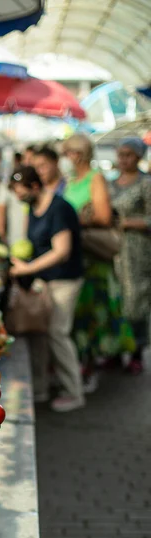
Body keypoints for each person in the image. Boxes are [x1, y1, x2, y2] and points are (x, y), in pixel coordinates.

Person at [63, 133, 135, 390]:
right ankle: (86, 365)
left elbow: (104, 217)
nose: (67, 157)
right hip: (78, 254)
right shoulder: (72, 180)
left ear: (78, 154)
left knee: (93, 313)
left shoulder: (96, 178)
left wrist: (77, 221)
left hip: (94, 257)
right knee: (81, 315)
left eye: (70, 152)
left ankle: (91, 367)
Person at [10, 166, 84, 412]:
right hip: (45, 280)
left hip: (65, 280)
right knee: (40, 333)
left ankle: (74, 392)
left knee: (57, 333)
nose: (18, 198)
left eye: (21, 192)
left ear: (34, 186)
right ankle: (40, 388)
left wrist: (28, 269)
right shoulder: (31, 207)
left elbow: (62, 251)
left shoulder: (59, 208)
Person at [109, 137, 151, 373]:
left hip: (138, 250)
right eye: (121, 154)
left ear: (138, 156)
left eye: (129, 154)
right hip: (112, 248)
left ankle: (136, 350)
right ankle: (115, 348)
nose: (124, 159)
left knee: (136, 301)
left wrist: (131, 223)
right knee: (116, 299)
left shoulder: (146, 183)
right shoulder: (111, 183)